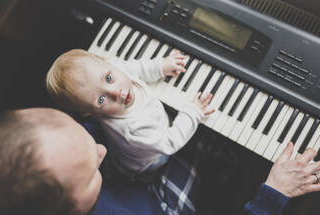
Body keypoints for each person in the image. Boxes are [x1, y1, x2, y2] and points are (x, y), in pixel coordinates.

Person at [0, 108, 320, 215]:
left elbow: (83, 140)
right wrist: (273, 194)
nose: (101, 151)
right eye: (89, 169)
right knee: (214, 155)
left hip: (129, 191)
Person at [45, 49, 214, 180]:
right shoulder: (132, 128)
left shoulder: (116, 72)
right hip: (149, 160)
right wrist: (193, 112)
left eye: (109, 78)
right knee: (163, 161)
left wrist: (160, 66)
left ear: (107, 62)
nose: (117, 92)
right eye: (101, 99)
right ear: (90, 113)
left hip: (152, 130)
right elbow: (170, 142)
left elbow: (137, 68)